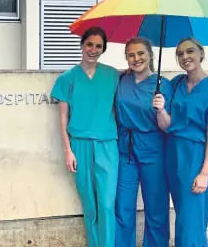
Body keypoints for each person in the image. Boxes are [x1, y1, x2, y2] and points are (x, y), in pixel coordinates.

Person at [152, 37, 208, 247]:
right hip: (172, 154)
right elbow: (167, 126)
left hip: (195, 156)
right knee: (181, 214)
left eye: (190, 51)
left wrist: (204, 173)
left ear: (201, 53)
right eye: (180, 54)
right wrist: (161, 109)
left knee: (191, 220)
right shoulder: (176, 83)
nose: (185, 57)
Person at [50, 26, 120, 247]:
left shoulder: (113, 75)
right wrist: (68, 150)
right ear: (82, 45)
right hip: (79, 145)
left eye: (98, 46)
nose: (93, 49)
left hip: (108, 145)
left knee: (107, 204)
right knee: (90, 205)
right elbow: (62, 119)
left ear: (103, 49)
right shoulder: (67, 78)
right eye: (89, 44)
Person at [114, 37, 172, 247]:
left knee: (156, 207)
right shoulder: (122, 79)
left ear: (150, 55)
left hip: (153, 149)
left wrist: (162, 109)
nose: (136, 58)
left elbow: (167, 126)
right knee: (123, 207)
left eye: (140, 53)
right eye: (131, 55)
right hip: (125, 150)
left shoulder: (162, 84)